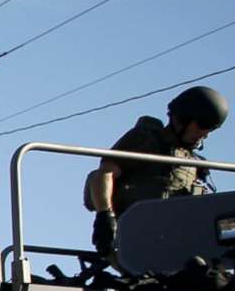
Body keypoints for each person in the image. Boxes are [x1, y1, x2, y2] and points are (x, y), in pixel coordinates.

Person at [87, 85, 227, 265]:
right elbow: (104, 174)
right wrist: (104, 218)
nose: (205, 134)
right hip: (138, 243)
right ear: (181, 118)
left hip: (178, 248)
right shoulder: (147, 141)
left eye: (210, 129)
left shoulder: (194, 164)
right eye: (203, 125)